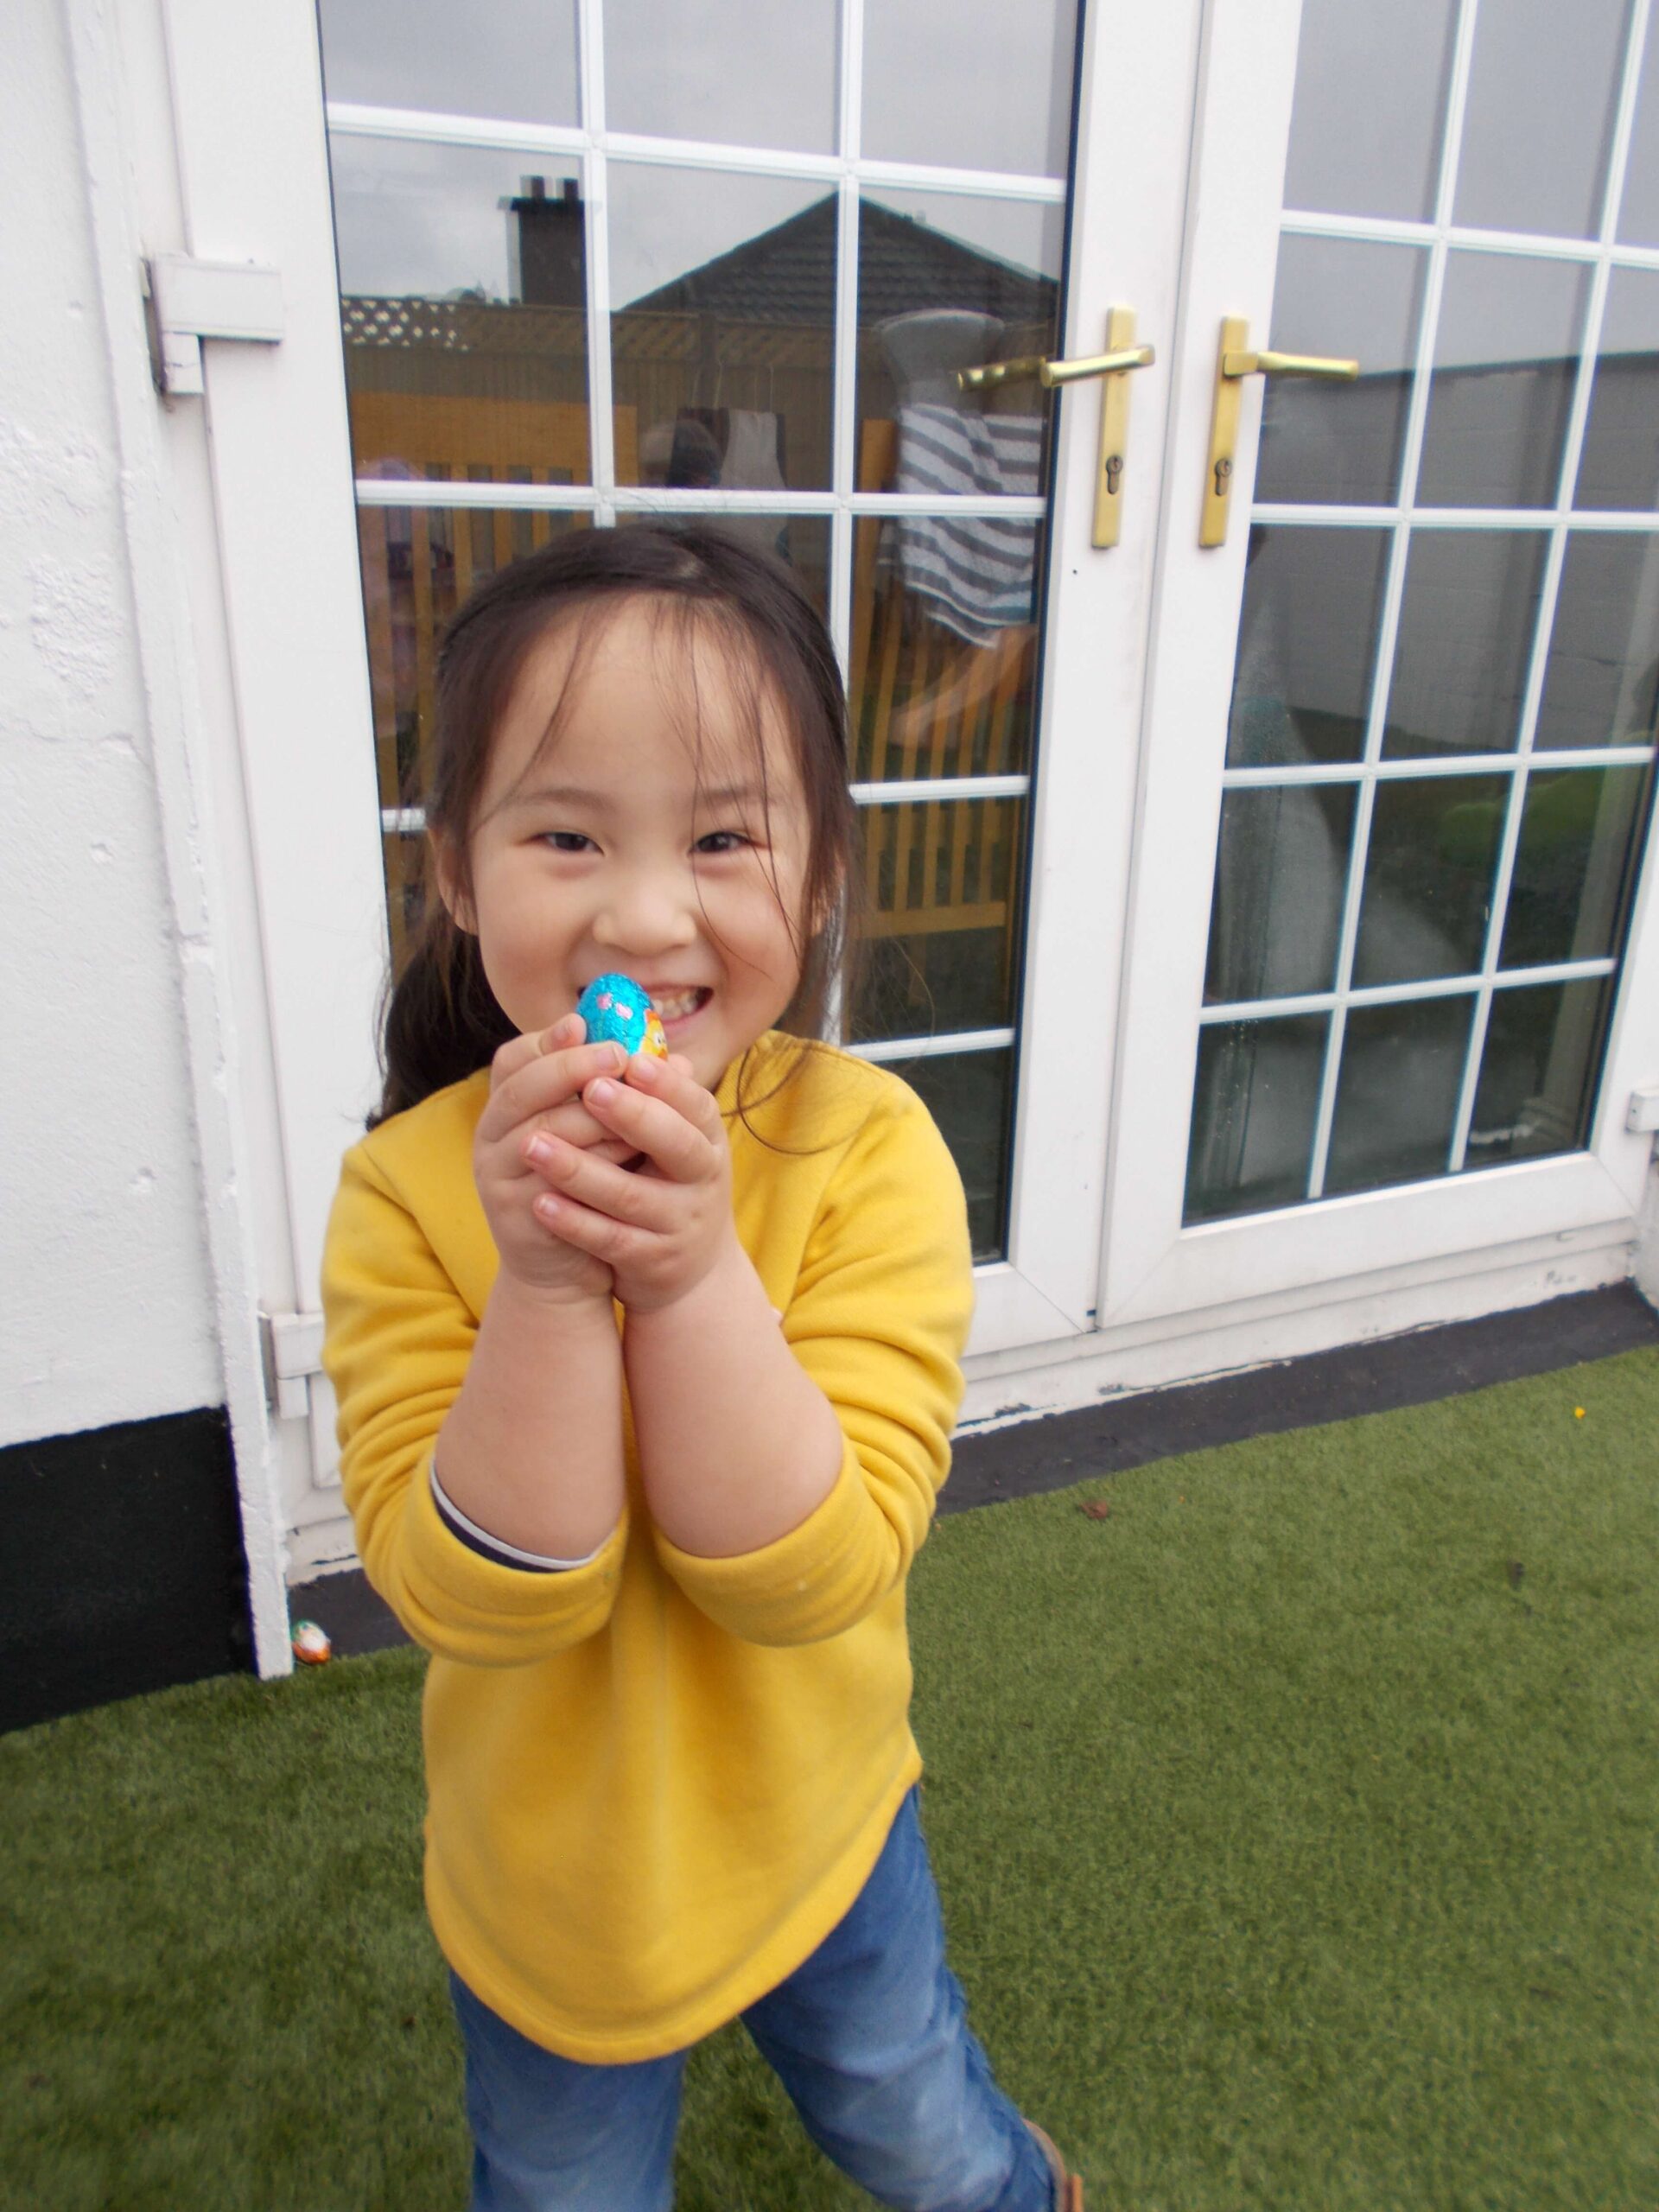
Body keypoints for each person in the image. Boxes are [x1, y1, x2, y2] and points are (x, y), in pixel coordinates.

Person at [320, 524, 1084, 2212]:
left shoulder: (868, 1151)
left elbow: (815, 1574)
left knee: (915, 2127)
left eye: (724, 836)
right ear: (459, 874)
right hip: (552, 1885)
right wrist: (544, 1281)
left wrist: (684, 1272)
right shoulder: (404, 1196)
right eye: (567, 833)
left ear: (818, 875)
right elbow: (478, 1599)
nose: (647, 913)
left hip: (822, 1818)